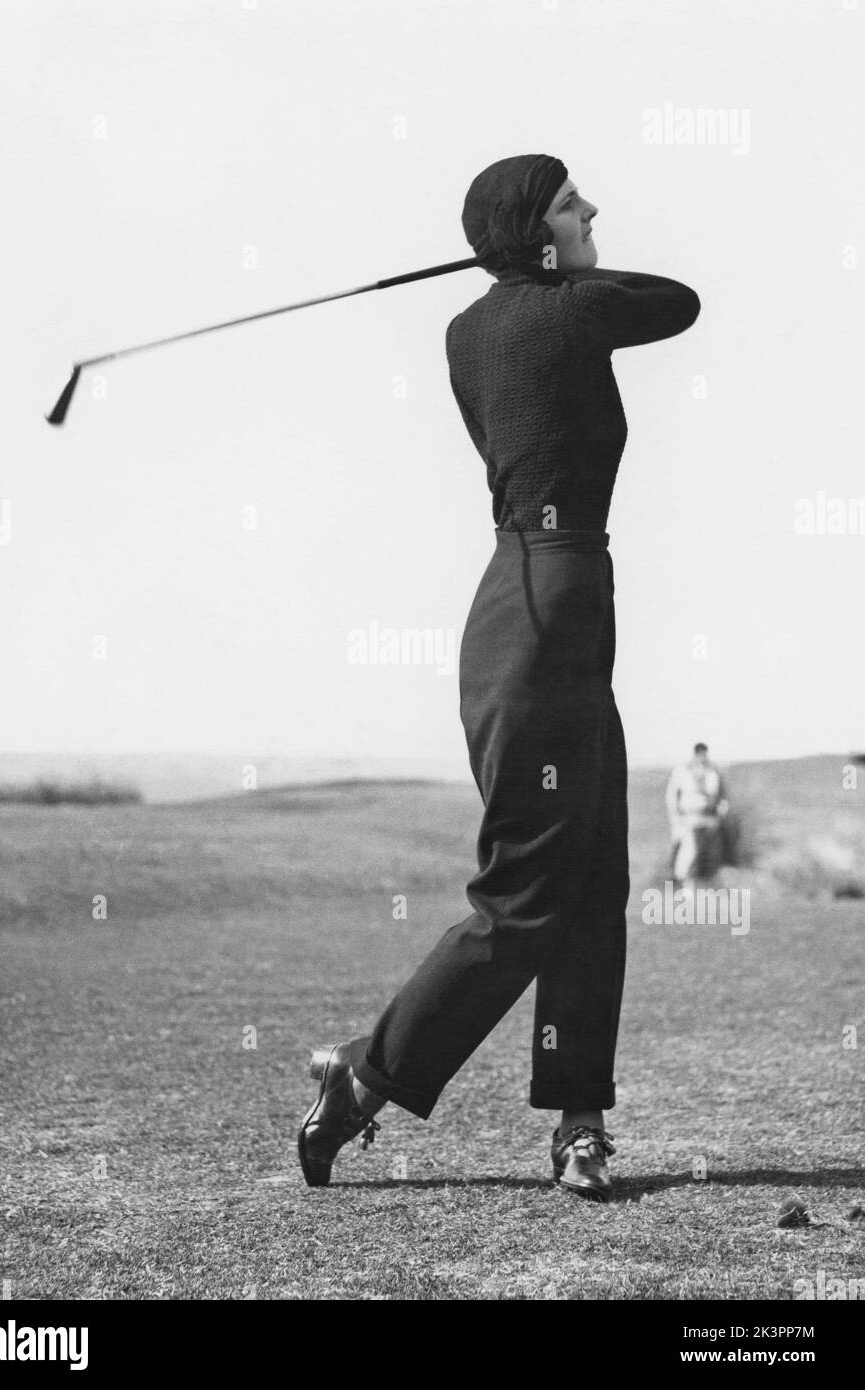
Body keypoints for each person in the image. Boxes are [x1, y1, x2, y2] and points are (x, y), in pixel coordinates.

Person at [298, 153, 701, 1201]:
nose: (595, 210)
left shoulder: (467, 326)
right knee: (525, 894)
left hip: (541, 611)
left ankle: (579, 1124)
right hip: (540, 617)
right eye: (574, 203)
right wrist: (554, 271)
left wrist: (533, 262)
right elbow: (679, 302)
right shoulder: (565, 314)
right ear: (535, 231)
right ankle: (363, 1072)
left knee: (592, 881)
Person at [665, 742, 729, 890]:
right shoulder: (682, 772)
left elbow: (722, 796)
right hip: (688, 819)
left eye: (704, 754)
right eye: (699, 754)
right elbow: (672, 796)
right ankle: (686, 888)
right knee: (689, 853)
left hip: (709, 819)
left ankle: (709, 889)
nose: (702, 757)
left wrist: (720, 815)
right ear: (695, 754)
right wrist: (675, 819)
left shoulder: (713, 772)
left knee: (710, 856)